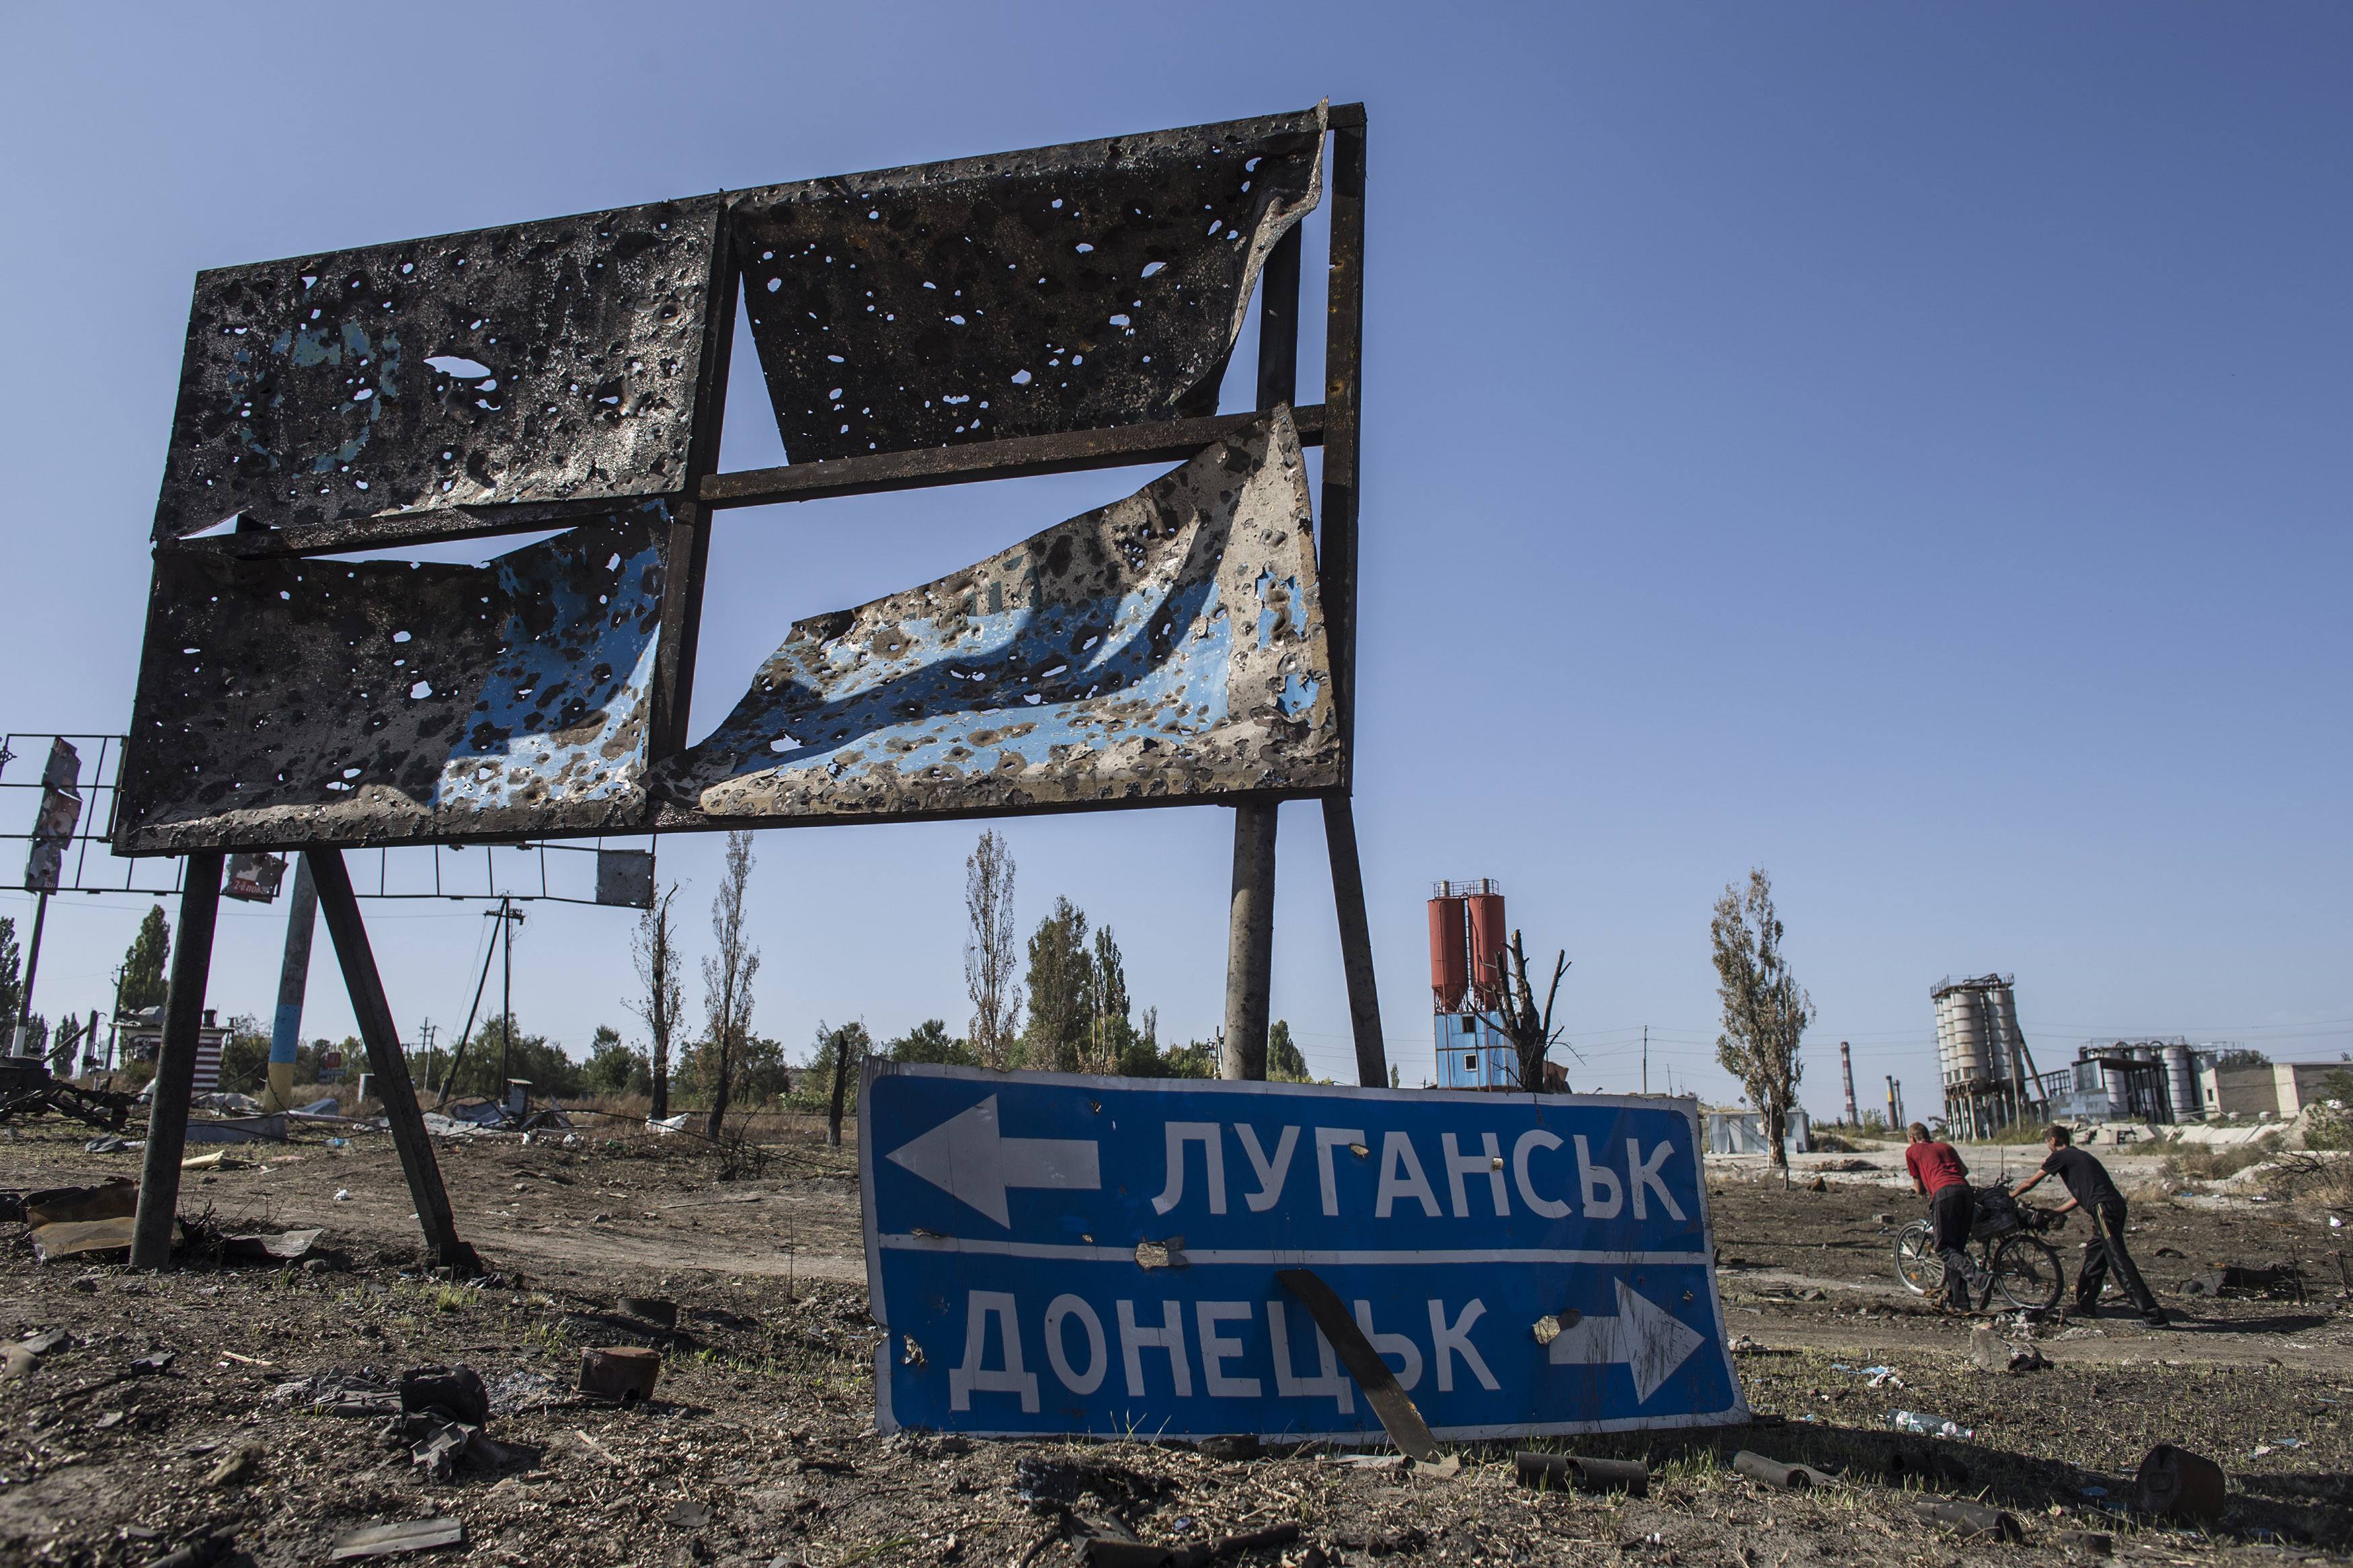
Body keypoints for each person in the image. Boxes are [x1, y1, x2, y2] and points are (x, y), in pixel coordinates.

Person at [2014, 1124, 2167, 1326]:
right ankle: (2086, 1304)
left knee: (2118, 1260)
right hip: (2114, 1206)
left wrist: (2010, 1195)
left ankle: (2153, 1316)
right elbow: (2080, 1197)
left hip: (2103, 1209)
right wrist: (2054, 1213)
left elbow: (2031, 1182)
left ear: (2053, 1141)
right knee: (2096, 1254)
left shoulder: (2060, 1156)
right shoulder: (2080, 1156)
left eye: (2047, 1142)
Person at [1904, 1122, 1988, 1311]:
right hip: (1966, 1193)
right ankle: (1961, 1302)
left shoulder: (1912, 1151)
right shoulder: (1946, 1147)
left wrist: (1927, 1183)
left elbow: (1919, 1188)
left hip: (1944, 1195)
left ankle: (1980, 1279)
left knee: (1942, 1248)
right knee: (1955, 1250)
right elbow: (1964, 1171)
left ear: (1912, 1138)